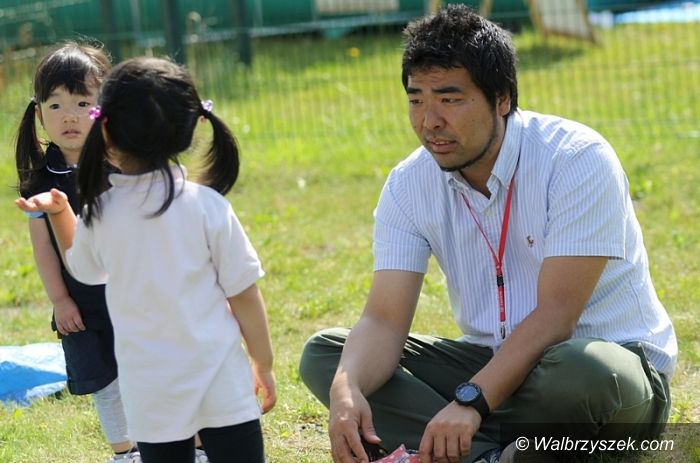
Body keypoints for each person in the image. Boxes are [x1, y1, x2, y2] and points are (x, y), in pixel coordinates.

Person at [298, 5, 677, 463]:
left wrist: (472, 401)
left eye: (450, 100)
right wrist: (347, 389)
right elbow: (383, 321)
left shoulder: (576, 159)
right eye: (416, 100)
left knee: (580, 370)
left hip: (607, 379)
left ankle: (481, 444)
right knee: (329, 355)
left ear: (502, 99)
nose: (429, 121)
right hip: (494, 370)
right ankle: (495, 456)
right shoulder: (408, 183)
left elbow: (557, 317)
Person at [15, 56, 276, 463]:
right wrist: (263, 361)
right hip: (222, 382)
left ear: (105, 129)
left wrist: (60, 213)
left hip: (150, 393)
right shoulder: (208, 206)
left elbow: (83, 270)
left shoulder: (102, 212)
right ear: (190, 129)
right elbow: (243, 294)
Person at [14, 42, 142, 462]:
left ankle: (186, 444)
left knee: (152, 370)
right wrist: (60, 299)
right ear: (39, 114)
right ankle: (125, 452)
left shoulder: (124, 167)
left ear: (103, 109)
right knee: (105, 382)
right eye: (56, 105)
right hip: (84, 306)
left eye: (82, 103)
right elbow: (44, 249)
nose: (68, 116)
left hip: (135, 297)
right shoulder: (41, 181)